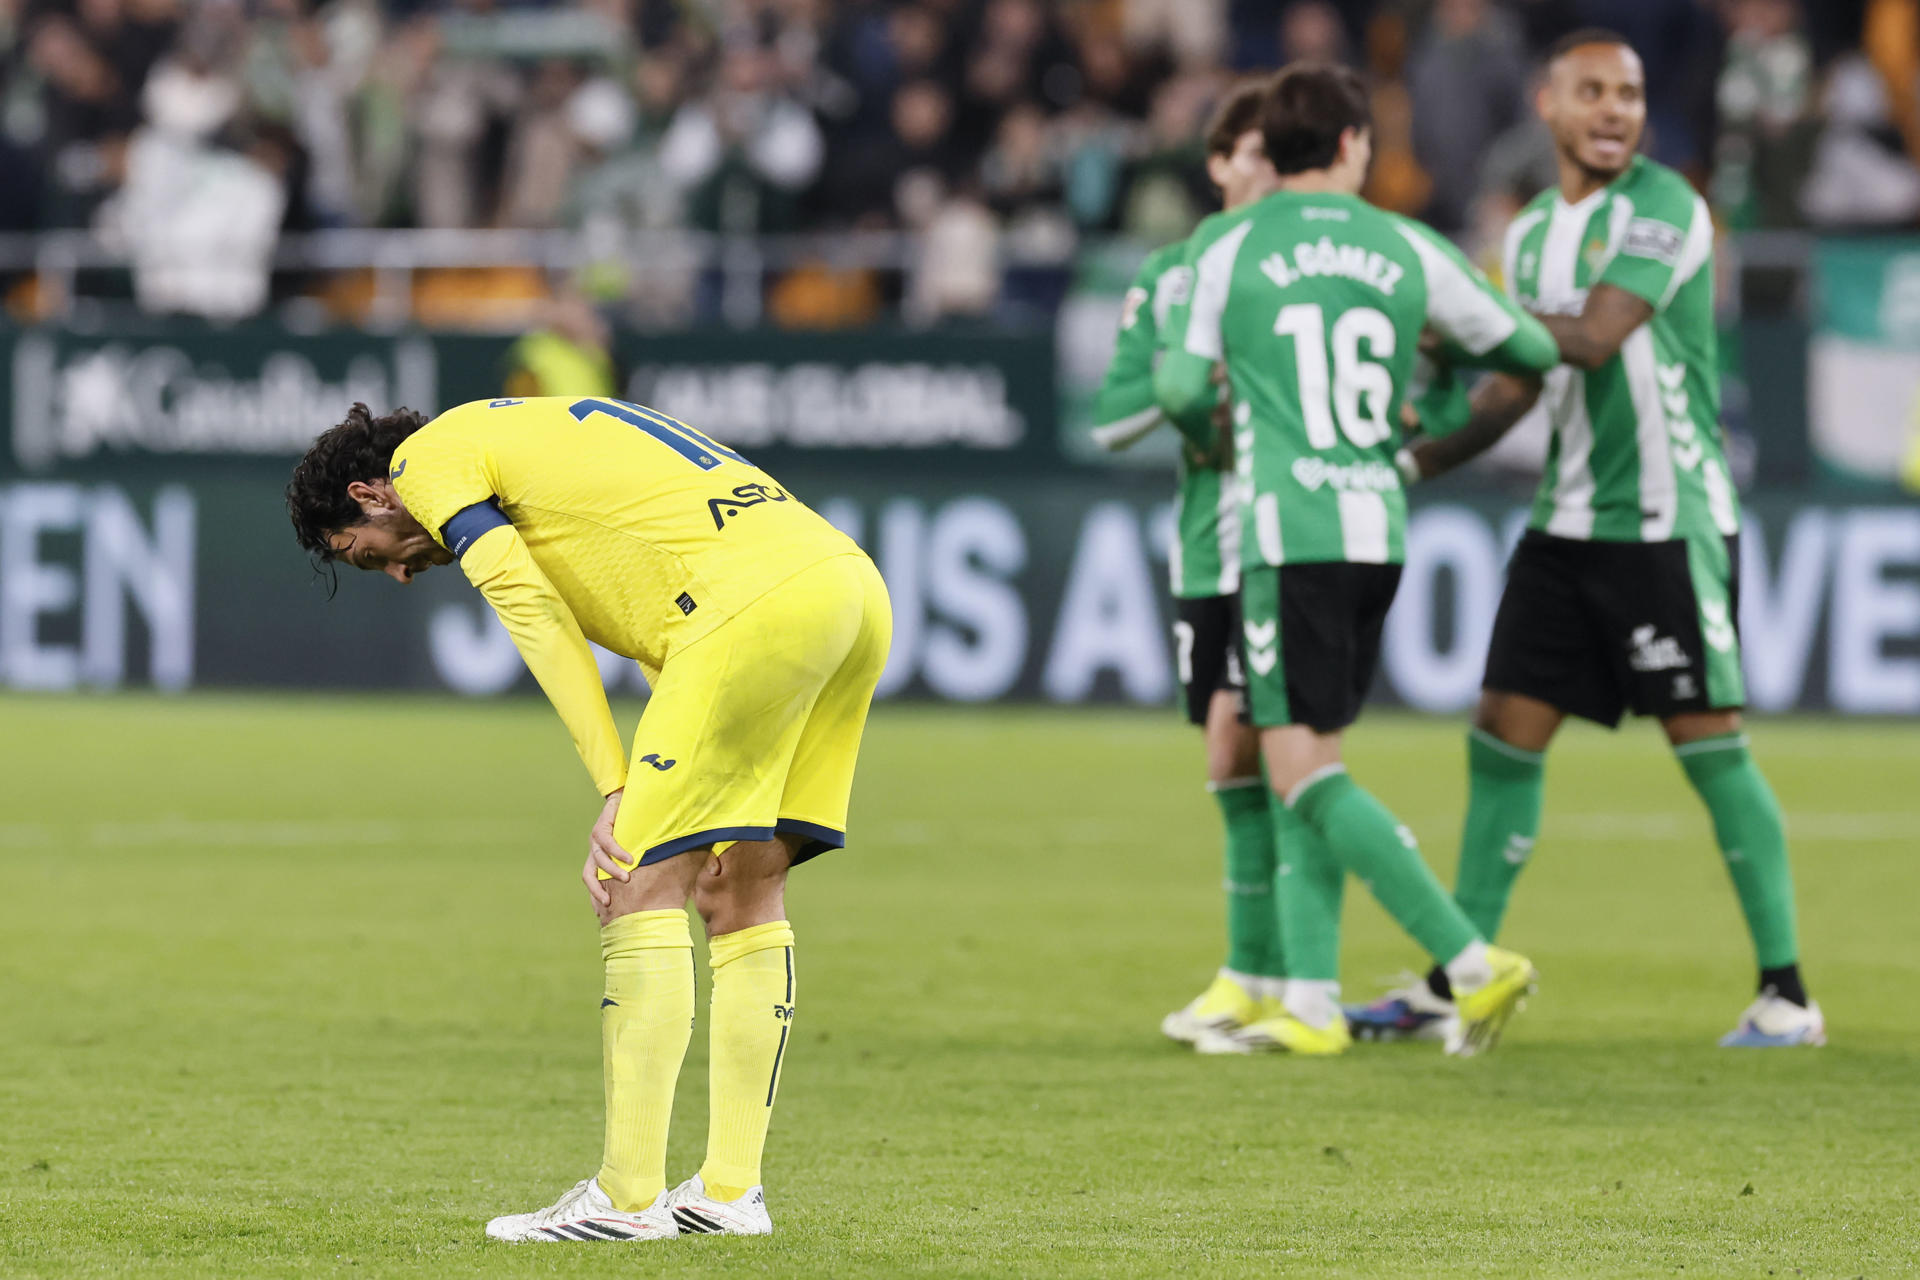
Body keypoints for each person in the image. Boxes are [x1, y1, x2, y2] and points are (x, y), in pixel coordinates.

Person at [285, 395, 891, 1239]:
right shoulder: (524, 425)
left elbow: (530, 610)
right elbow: (657, 605)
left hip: (746, 606)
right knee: (740, 893)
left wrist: (617, 782)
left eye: (364, 555)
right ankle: (728, 1193)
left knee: (634, 883)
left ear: (371, 494)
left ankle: (628, 1197)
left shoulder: (429, 461)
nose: (394, 571)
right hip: (847, 587)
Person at [1351, 30, 1822, 1049]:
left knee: (1708, 743)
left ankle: (1787, 995)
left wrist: (1462, 319)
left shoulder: (1665, 207)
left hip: (1665, 520)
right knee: (1501, 734)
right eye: (1593, 92)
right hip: (1564, 524)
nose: (1615, 111)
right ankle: (1460, 980)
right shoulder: (1525, 240)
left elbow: (1596, 335)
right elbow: (1519, 384)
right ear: (1548, 105)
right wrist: (1415, 462)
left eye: (1631, 94)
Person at [1153, 63, 1560, 1057]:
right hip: (1375, 521)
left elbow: (1172, 387)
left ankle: (1468, 962)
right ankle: (1310, 1000)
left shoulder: (1225, 246)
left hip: (1283, 527)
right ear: (1347, 146)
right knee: (1312, 755)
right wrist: (1414, 419)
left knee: (1298, 768)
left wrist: (1228, 416)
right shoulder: (1404, 242)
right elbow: (1528, 351)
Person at [1091, 79, 1291, 1048]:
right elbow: (1116, 412)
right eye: (1251, 153)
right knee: (1230, 752)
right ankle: (1254, 973)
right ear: (1217, 163)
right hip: (1208, 537)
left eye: (1280, 156)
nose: (1266, 171)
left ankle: (1296, 976)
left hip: (1287, 534)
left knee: (1283, 750)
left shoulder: (1299, 264)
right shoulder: (1175, 272)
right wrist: (1192, 385)